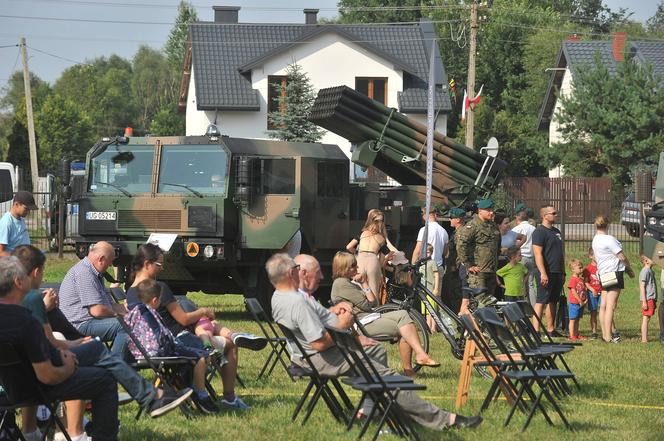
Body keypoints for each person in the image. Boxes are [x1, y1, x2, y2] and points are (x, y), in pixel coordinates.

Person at [267, 252, 482, 431]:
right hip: (318, 358)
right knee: (388, 379)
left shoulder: (281, 297)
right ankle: (445, 420)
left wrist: (339, 320)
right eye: (295, 268)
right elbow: (319, 343)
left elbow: (318, 320)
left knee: (375, 351)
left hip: (308, 356)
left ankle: (374, 410)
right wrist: (345, 325)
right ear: (292, 273)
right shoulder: (297, 302)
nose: (301, 272)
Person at [11, 245, 193, 439]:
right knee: (100, 357)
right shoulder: (31, 297)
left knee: (97, 353)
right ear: (37, 271)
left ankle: (147, 396)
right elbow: (50, 342)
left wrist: (72, 339)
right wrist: (74, 345)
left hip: (14, 379)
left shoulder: (9, 297)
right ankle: (148, 397)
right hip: (40, 373)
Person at [125, 243, 260, 410]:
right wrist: (203, 311)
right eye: (159, 264)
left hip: (153, 345)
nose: (162, 268)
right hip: (179, 339)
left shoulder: (130, 292)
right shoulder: (159, 288)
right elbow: (183, 319)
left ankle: (222, 345)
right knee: (230, 345)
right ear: (147, 264)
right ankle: (229, 397)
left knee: (210, 328)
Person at [0, 256, 119, 441]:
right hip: (32, 391)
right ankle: (78, 432)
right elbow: (47, 376)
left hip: (7, 391)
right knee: (104, 379)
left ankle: (34, 430)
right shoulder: (27, 321)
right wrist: (69, 366)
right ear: (18, 282)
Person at [330, 251, 439, 378]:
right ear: (344, 268)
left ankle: (417, 360)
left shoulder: (347, 283)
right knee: (405, 327)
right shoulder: (341, 284)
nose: (357, 267)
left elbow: (374, 303)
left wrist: (364, 283)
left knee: (404, 315)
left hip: (368, 318)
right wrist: (365, 288)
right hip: (360, 324)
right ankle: (414, 363)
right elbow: (367, 305)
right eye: (353, 265)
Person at [130, 279, 218, 413]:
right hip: (162, 351)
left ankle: (188, 389)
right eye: (160, 300)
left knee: (192, 355)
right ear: (155, 301)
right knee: (201, 357)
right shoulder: (151, 315)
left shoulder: (138, 312)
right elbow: (161, 338)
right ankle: (200, 395)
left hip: (145, 352)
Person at [59, 242, 129, 358]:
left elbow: (109, 305)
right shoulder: (84, 273)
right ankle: (115, 368)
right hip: (79, 325)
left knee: (132, 321)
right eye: (110, 261)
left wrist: (128, 310)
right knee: (125, 325)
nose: (111, 265)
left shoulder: (94, 273)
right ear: (101, 259)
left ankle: (126, 364)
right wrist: (121, 315)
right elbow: (97, 311)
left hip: (87, 321)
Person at [591, 215, 634, 343]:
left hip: (603, 273)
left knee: (603, 306)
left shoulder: (595, 239)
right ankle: (609, 336)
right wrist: (629, 267)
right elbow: (621, 256)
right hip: (614, 273)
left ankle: (605, 335)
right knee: (610, 306)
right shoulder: (609, 239)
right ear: (607, 225)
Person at [456, 198, 501, 312]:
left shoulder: (493, 226)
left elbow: (497, 247)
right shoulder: (472, 226)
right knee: (479, 303)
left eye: (492, 210)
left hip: (490, 270)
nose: (491, 212)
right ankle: (471, 328)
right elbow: (461, 245)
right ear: (480, 211)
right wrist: (468, 264)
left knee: (489, 304)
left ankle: (485, 329)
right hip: (478, 272)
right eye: (488, 210)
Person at [346, 209, 398, 299]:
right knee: (374, 291)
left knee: (357, 290)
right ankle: (375, 311)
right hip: (373, 261)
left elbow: (349, 247)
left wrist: (357, 253)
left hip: (360, 260)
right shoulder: (381, 237)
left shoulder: (362, 233)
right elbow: (384, 259)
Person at [532, 205, 564, 336]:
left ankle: (551, 330)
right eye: (553, 213)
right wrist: (543, 273)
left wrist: (562, 272)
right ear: (545, 216)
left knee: (553, 301)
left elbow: (560, 253)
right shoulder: (539, 232)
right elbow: (537, 253)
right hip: (545, 272)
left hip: (557, 272)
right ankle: (536, 330)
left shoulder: (556, 232)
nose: (556, 215)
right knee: (541, 301)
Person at [411, 208, 449, 296]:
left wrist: (412, 266)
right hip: (439, 267)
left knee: (426, 299)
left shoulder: (424, 230)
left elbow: (417, 250)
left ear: (424, 216)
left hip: (427, 268)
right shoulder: (444, 231)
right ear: (435, 215)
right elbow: (445, 252)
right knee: (437, 297)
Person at [512, 208, 537, 306]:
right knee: (530, 284)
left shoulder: (516, 229)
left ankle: (521, 307)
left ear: (518, 218)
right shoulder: (534, 229)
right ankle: (534, 308)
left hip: (520, 258)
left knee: (519, 283)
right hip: (531, 257)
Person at [0, 190, 37, 256]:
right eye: (26, 208)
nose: (28, 212)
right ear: (16, 204)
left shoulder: (21, 219)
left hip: (23, 261)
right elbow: (1, 252)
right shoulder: (6, 223)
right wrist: (20, 257)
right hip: (13, 264)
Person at [418, 244, 440, 332]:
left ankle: (433, 327)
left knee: (432, 310)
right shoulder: (420, 263)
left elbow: (436, 275)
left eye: (428, 252)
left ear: (431, 253)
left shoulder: (432, 262)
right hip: (423, 290)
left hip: (431, 289)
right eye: (425, 252)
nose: (426, 254)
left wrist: (436, 288)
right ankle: (428, 328)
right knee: (426, 311)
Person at [583, 248, 602, 339]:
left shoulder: (602, 266)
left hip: (602, 292)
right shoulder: (588, 269)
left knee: (604, 311)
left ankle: (607, 330)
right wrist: (592, 290)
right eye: (596, 254)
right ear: (591, 256)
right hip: (592, 293)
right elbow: (586, 282)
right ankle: (594, 332)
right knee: (593, 313)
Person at [567, 259, 588, 341]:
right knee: (573, 319)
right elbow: (573, 291)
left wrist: (585, 300)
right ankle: (572, 335)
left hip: (581, 303)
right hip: (575, 303)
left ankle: (576, 334)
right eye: (579, 268)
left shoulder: (581, 279)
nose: (581, 269)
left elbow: (583, 290)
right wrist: (579, 300)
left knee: (577, 319)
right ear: (573, 269)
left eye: (582, 267)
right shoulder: (573, 279)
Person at [639, 255, 657, 343]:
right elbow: (642, 286)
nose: (654, 259)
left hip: (651, 298)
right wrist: (644, 301)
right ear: (646, 261)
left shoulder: (650, 271)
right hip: (647, 299)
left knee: (647, 318)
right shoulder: (645, 271)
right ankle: (644, 339)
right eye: (652, 258)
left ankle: (644, 337)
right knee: (646, 318)